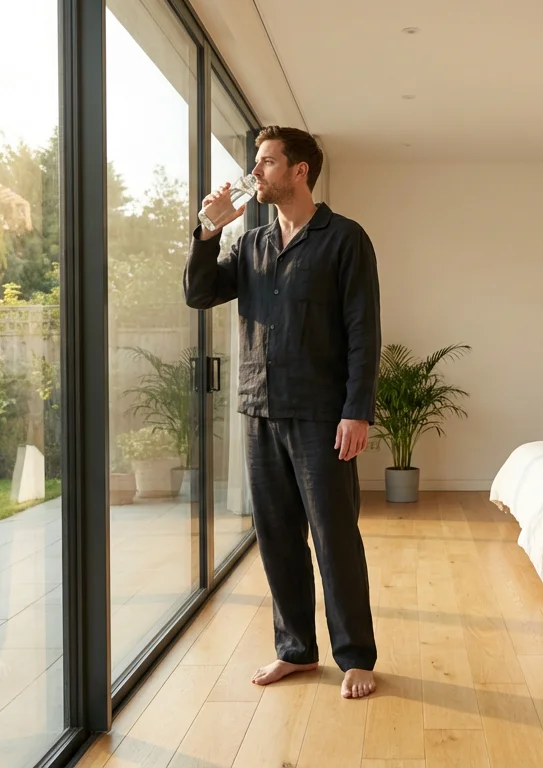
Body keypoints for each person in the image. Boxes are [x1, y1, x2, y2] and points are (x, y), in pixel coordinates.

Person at [183, 125, 381, 700]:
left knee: (335, 537)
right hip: (258, 411)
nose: (256, 172)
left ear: (299, 171)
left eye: (267, 162)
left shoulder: (345, 239)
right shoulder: (249, 243)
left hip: (322, 416)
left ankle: (355, 656)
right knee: (276, 538)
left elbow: (363, 331)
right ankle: (295, 650)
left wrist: (357, 411)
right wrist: (208, 229)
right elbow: (199, 293)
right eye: (257, 162)